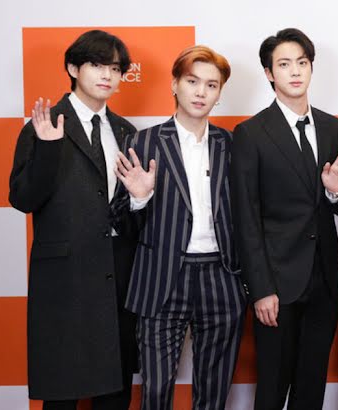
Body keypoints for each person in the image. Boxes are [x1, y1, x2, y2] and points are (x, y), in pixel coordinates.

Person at [8, 29, 138, 410]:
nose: (107, 75)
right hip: (65, 282)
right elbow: (22, 199)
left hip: (117, 277)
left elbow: (130, 212)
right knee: (62, 396)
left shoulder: (126, 131)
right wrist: (48, 150)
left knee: (114, 394)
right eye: (97, 65)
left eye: (115, 68)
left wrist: (143, 198)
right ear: (73, 68)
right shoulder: (43, 125)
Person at [112, 45, 246, 409]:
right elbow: (120, 221)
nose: (201, 92)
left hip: (222, 276)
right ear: (174, 85)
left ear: (219, 93)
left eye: (211, 85)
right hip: (161, 276)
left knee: (214, 392)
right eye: (192, 81)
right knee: (156, 390)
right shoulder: (143, 141)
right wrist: (139, 198)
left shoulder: (231, 144)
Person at [230, 28, 338, 410]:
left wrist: (335, 193)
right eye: (284, 64)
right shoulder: (250, 133)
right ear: (269, 73)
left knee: (311, 388)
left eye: (302, 62)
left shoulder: (334, 128)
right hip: (277, 284)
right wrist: (261, 288)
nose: (295, 71)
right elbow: (245, 218)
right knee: (271, 389)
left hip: (324, 279)